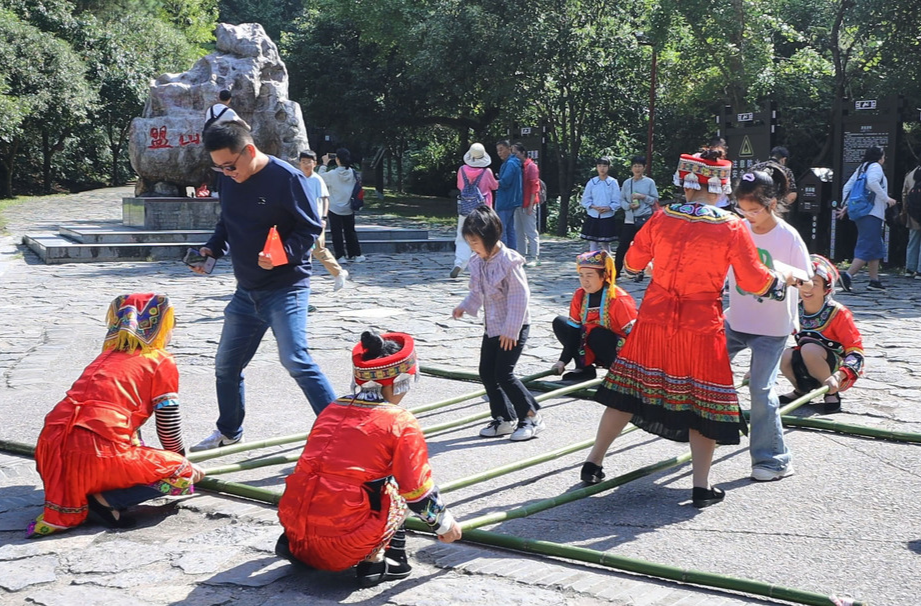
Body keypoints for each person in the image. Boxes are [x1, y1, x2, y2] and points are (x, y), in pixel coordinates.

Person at [586, 150, 792, 507]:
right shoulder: (730, 226)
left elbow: (633, 262)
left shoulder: (662, 218)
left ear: (686, 182)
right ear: (720, 186)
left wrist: (647, 271)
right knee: (703, 401)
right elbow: (753, 280)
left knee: (627, 390)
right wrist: (781, 283)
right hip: (700, 323)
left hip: (654, 317)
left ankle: (594, 461)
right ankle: (700, 485)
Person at [191, 121, 337, 451]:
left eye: (230, 166)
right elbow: (226, 224)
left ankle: (339, 432)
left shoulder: (287, 179)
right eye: (219, 167)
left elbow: (310, 228)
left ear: (250, 151)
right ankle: (229, 431)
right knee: (226, 366)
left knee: (295, 359)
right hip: (246, 291)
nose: (226, 173)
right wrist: (211, 250)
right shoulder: (228, 179)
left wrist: (283, 254)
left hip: (286, 287)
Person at [276, 330, 462, 587]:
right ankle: (378, 561)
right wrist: (445, 525)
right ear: (402, 379)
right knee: (398, 487)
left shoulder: (332, 408)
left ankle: (311, 547)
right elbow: (417, 491)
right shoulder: (400, 421)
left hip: (297, 537)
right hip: (344, 544)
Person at [28, 294, 206, 538]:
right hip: (93, 453)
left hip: (50, 451)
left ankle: (86, 492)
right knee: (183, 474)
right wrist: (178, 460)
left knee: (137, 455)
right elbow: (168, 424)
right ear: (159, 326)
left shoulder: (105, 357)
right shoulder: (159, 360)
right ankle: (104, 501)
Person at [724, 165, 813, 482]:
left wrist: (785, 276)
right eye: (741, 209)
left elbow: (808, 281)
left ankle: (774, 459)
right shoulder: (737, 229)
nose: (747, 216)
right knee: (705, 369)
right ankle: (713, 429)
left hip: (771, 327)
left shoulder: (788, 236)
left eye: (754, 210)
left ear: (772, 204)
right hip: (736, 319)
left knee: (761, 391)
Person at [453, 206, 544, 441]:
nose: (473, 247)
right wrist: (464, 306)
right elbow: (477, 292)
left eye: (475, 242)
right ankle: (503, 418)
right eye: (470, 243)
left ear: (490, 237)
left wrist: (511, 329)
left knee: (504, 374)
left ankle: (531, 416)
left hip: (513, 327)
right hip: (492, 327)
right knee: (486, 372)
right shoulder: (478, 262)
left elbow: (519, 297)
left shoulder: (509, 261)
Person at [780, 255, 865, 414]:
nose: (807, 289)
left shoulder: (838, 313)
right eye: (804, 282)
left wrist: (840, 376)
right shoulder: (794, 309)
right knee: (785, 355)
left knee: (809, 349)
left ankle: (831, 392)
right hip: (807, 360)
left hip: (833, 367)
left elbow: (856, 350)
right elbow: (775, 337)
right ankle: (801, 389)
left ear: (826, 289)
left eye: (815, 284)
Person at [550, 250, 637, 387]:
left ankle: (616, 372)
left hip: (617, 352)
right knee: (561, 323)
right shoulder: (579, 295)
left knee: (597, 333)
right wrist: (562, 361)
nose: (585, 281)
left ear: (603, 276)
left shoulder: (619, 299)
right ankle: (584, 368)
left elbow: (635, 336)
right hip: (590, 344)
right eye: (581, 275)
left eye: (589, 275)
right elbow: (573, 333)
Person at [837, 146, 896, 292]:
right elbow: (872, 182)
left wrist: (849, 205)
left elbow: (847, 187)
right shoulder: (875, 167)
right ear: (880, 157)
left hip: (861, 213)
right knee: (868, 245)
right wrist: (887, 198)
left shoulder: (862, 167)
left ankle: (874, 280)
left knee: (875, 246)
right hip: (872, 213)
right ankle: (848, 275)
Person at [298, 150, 349, 291]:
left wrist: (323, 218)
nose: (306, 165)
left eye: (309, 162)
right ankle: (301, 281)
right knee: (301, 250)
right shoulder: (297, 178)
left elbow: (325, 199)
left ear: (314, 163)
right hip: (300, 220)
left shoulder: (317, 179)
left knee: (319, 249)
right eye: (303, 162)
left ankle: (338, 272)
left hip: (315, 220)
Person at [452, 143, 498, 278]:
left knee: (462, 236)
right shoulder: (487, 172)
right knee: (482, 236)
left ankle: (459, 263)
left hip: (466, 207)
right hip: (482, 209)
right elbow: (494, 186)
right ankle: (483, 264)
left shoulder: (462, 170)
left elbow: (460, 186)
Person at [319, 147, 366, 263]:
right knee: (350, 231)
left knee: (337, 232)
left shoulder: (332, 174)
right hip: (349, 206)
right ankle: (355, 254)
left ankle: (340, 256)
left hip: (334, 207)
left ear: (337, 159)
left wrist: (324, 163)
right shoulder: (353, 173)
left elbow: (319, 178)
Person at [616, 155, 658, 279]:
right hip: (629, 218)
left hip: (644, 218)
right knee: (623, 245)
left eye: (640, 166)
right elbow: (621, 200)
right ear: (631, 168)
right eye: (635, 166)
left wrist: (643, 197)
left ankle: (640, 272)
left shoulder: (649, 182)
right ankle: (616, 271)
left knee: (642, 246)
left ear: (644, 168)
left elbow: (655, 200)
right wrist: (628, 206)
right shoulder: (627, 183)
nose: (637, 169)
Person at [579, 157, 620, 252]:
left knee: (605, 242)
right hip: (593, 214)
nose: (602, 168)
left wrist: (609, 208)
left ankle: (607, 264)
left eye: (604, 166)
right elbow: (585, 199)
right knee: (593, 241)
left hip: (607, 216)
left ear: (609, 167)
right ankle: (593, 263)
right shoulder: (592, 182)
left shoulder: (613, 182)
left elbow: (617, 200)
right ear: (596, 167)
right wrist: (593, 206)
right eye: (599, 166)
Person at [513, 142, 541, 266]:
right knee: (518, 231)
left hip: (528, 203)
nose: (514, 156)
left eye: (516, 153)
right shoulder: (518, 166)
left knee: (530, 231)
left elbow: (535, 186)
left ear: (523, 153)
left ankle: (535, 257)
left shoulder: (531, 166)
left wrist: (530, 205)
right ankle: (521, 256)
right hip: (518, 203)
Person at [494, 140, 522, 250]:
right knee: (510, 230)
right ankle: (512, 254)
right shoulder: (514, 162)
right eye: (498, 151)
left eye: (501, 149)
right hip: (512, 200)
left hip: (505, 200)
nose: (499, 153)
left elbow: (505, 182)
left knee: (502, 230)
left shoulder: (510, 164)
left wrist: (493, 182)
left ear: (508, 149)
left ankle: (503, 255)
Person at [900, 164, 921, 278]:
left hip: (913, 213)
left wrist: (905, 211)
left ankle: (910, 268)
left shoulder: (911, 174)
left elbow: (904, 194)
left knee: (913, 240)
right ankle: (920, 270)